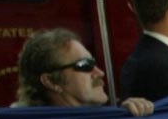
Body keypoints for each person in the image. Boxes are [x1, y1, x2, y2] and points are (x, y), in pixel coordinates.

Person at [14, 28, 154, 114]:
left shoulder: (113, 117)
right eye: (85, 65)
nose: (99, 73)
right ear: (50, 81)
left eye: (93, 63)